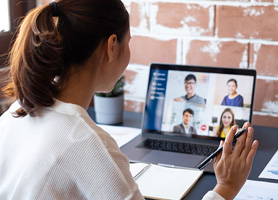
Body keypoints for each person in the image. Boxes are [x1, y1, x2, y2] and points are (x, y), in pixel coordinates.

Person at [0, 0, 258, 199]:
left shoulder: (17, 111)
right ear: (111, 46)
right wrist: (226, 187)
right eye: (129, 41)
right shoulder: (85, 144)